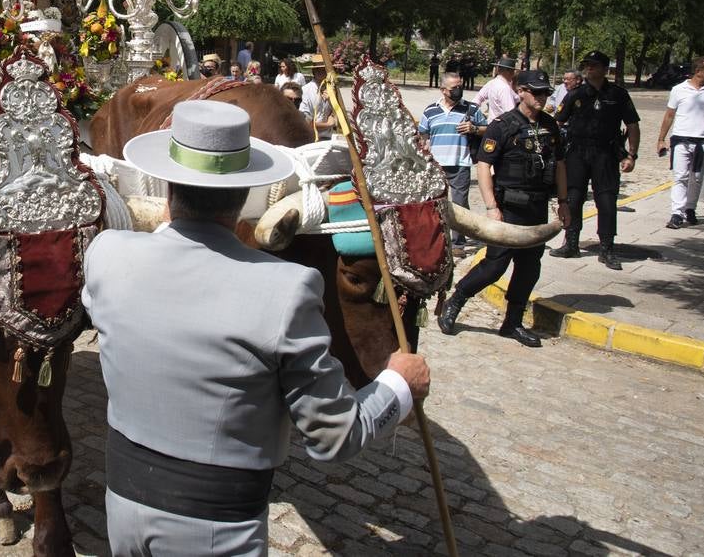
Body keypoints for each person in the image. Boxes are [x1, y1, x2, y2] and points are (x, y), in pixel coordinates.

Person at [83, 100, 429, 553]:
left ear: (167, 187)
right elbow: (335, 436)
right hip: (214, 531)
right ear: (246, 196)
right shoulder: (287, 289)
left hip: (122, 509)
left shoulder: (107, 254)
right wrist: (399, 385)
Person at [439, 71, 569, 347]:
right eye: (536, 91)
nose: (542, 97)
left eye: (545, 92)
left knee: (529, 268)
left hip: (537, 207)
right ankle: (457, 299)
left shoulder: (550, 126)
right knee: (494, 266)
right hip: (507, 206)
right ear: (520, 91)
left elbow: (560, 165)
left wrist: (564, 203)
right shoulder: (503, 125)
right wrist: (491, 207)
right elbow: (484, 165)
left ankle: (513, 322)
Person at [549, 50, 640, 269]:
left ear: (605, 69)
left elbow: (633, 125)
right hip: (577, 152)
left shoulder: (618, 94)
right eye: (587, 65)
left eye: (594, 65)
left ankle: (607, 248)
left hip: (606, 153)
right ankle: (571, 243)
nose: (590, 68)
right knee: (573, 197)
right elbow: (558, 122)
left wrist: (631, 154)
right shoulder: (576, 94)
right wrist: (555, 151)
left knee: (607, 200)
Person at [418, 72, 489, 256]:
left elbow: (489, 130)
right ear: (443, 90)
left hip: (460, 164)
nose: (459, 90)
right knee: (433, 204)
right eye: (454, 87)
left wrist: (474, 129)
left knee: (459, 204)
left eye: (460, 86)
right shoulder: (430, 111)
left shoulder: (471, 109)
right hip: (435, 166)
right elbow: (423, 135)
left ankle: (458, 244)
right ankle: (433, 240)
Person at [656, 56, 704, 229]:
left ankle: (690, 208)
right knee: (680, 176)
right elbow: (669, 115)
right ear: (698, 71)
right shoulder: (678, 90)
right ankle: (677, 213)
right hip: (681, 139)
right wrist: (661, 139)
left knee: (696, 178)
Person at [298, 57, 337, 141]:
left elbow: (337, 117)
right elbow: (305, 122)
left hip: (328, 138)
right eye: (318, 70)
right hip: (310, 138)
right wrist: (328, 124)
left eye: (324, 69)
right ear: (313, 72)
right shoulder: (306, 90)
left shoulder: (332, 90)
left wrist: (332, 101)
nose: (321, 72)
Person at [474, 56, 520, 122]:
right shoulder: (504, 88)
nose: (513, 73)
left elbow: (477, 99)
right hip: (503, 126)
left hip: (492, 123)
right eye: (513, 71)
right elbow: (510, 113)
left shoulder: (492, 83)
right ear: (508, 71)